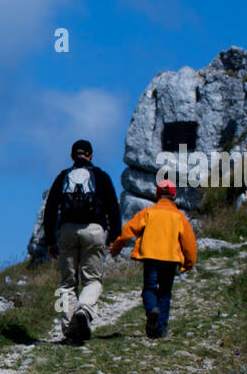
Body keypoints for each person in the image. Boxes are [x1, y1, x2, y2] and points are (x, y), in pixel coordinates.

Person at [41, 139, 122, 344]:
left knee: (67, 284)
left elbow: (50, 209)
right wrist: (114, 237)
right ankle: (83, 310)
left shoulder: (62, 177)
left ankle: (69, 329)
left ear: (72, 156)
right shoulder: (101, 176)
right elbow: (113, 208)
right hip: (94, 230)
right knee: (92, 279)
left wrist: (50, 239)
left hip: (67, 231)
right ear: (91, 155)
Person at [108, 179, 197, 338]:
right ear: (174, 196)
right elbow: (189, 242)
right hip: (171, 259)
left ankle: (151, 311)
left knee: (149, 288)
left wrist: (116, 248)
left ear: (156, 194)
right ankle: (160, 329)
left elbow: (128, 230)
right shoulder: (179, 217)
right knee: (165, 293)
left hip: (151, 257)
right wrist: (189, 263)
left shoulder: (148, 212)